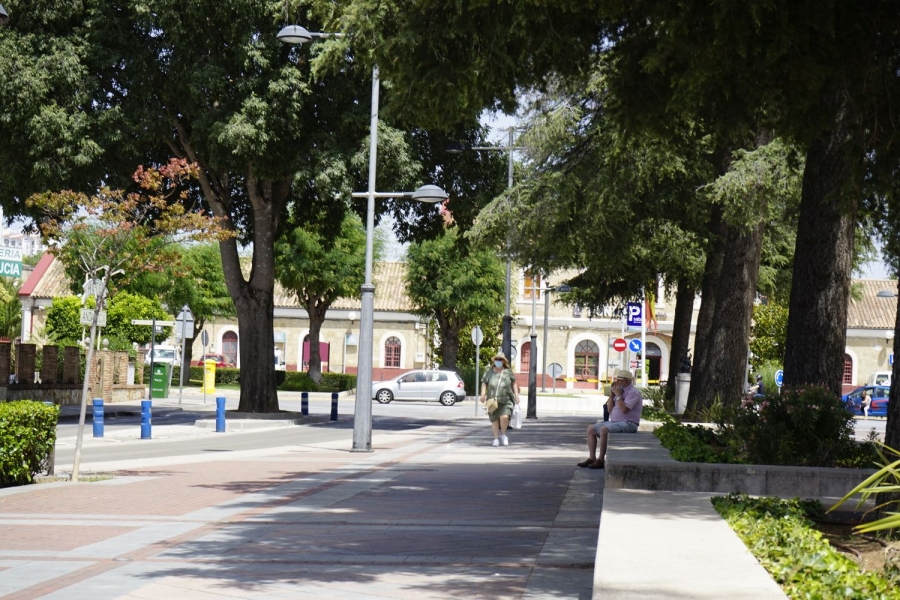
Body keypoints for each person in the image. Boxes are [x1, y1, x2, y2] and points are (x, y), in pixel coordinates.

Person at [578, 369, 643, 469]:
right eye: (617, 379)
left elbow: (624, 409)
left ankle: (600, 460)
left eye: (620, 380)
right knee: (591, 428)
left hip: (629, 423)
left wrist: (618, 395)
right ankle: (592, 458)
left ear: (627, 381)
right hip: (614, 422)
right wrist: (612, 394)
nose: (617, 382)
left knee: (604, 429)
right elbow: (610, 410)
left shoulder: (633, 392)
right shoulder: (619, 390)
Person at [480, 351, 520, 447]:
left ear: (503, 361)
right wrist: (482, 394)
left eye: (500, 359)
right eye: (497, 359)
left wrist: (516, 395)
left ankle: (503, 434)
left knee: (504, 417)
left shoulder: (508, 372)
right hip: (492, 400)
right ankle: (496, 439)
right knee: (494, 420)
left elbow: (514, 383)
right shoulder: (489, 372)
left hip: (506, 400)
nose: (498, 361)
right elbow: (484, 383)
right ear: (494, 361)